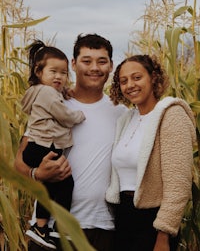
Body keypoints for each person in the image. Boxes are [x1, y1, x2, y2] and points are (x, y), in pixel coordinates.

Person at [14, 34, 127, 251]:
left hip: (100, 228)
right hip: (51, 230)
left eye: (102, 61)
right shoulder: (51, 102)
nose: (94, 68)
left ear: (111, 66)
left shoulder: (121, 114)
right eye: (86, 61)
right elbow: (19, 162)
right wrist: (38, 174)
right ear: (73, 64)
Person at [105, 54, 196, 251]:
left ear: (153, 77)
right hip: (124, 216)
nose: (130, 85)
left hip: (153, 222)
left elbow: (178, 184)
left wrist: (163, 234)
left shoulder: (171, 115)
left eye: (137, 78)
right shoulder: (127, 119)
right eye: (124, 81)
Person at [20, 40, 85, 250]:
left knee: (51, 186)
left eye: (64, 73)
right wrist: (79, 116)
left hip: (36, 148)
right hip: (43, 146)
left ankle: (40, 227)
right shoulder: (48, 93)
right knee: (66, 184)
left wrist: (61, 93)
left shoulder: (39, 91)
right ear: (39, 71)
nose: (59, 76)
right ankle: (59, 227)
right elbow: (63, 115)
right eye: (53, 71)